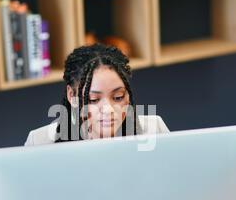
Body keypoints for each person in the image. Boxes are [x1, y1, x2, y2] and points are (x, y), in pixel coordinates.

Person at [25, 44, 169, 146]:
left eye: (118, 97)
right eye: (93, 100)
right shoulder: (39, 142)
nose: (108, 110)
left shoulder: (154, 130)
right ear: (72, 96)